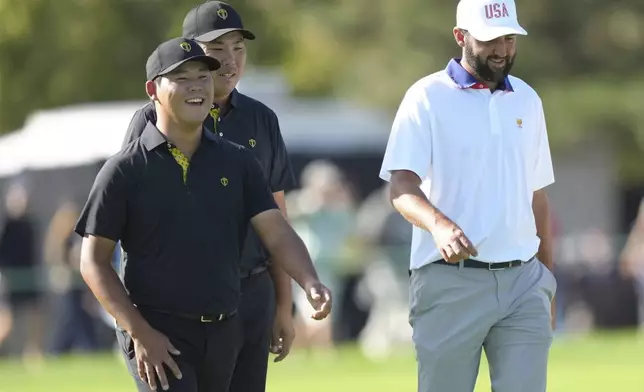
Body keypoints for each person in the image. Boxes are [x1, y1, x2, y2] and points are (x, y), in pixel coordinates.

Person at [75, 37, 331, 392]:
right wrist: (139, 331)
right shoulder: (125, 169)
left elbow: (276, 231)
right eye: (182, 78)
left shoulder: (239, 161)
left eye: (203, 77)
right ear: (153, 89)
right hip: (156, 331)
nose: (196, 86)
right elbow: (93, 262)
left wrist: (310, 281)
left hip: (225, 329)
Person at [378, 0, 557, 391]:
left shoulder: (527, 99)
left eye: (509, 38)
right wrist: (439, 225)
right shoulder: (426, 96)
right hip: (449, 282)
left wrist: (547, 278)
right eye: (490, 39)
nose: (502, 50)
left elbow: (537, 197)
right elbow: (402, 186)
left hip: (524, 284)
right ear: (461, 37)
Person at [122, 3, 297, 391]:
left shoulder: (262, 119)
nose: (231, 62)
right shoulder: (148, 121)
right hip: (173, 304)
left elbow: (277, 221)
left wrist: (283, 305)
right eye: (218, 51)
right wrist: (135, 322)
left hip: (251, 294)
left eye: (238, 49)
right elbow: (129, 223)